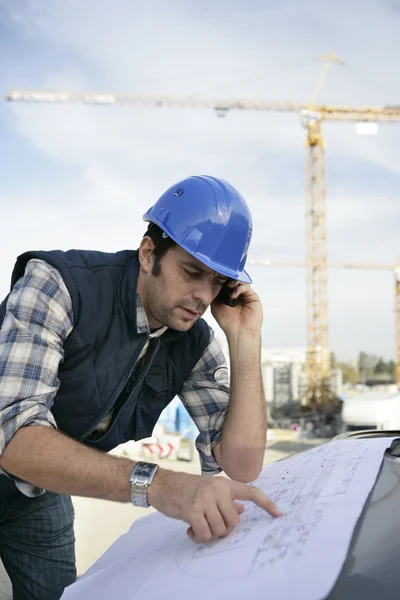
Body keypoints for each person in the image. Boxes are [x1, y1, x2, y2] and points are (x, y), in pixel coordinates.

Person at [0, 175, 282, 600]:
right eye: (192, 273)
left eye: (219, 283)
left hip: (37, 493)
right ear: (149, 253)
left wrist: (245, 342)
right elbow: (12, 433)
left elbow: (242, 464)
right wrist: (160, 485)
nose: (204, 296)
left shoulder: (193, 339)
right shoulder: (58, 285)